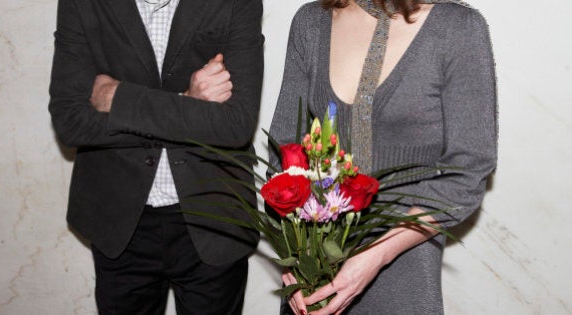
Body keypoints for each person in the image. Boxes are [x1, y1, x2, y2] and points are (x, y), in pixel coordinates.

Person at [269, 0, 497, 314]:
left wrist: (377, 253)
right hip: (311, 275)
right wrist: (295, 249)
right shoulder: (311, 21)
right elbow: (284, 150)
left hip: (403, 273)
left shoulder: (457, 28)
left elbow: (468, 171)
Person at [48, 0, 264, 313]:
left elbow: (234, 125)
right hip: (118, 222)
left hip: (214, 220)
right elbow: (70, 122)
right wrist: (188, 101)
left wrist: (118, 98)